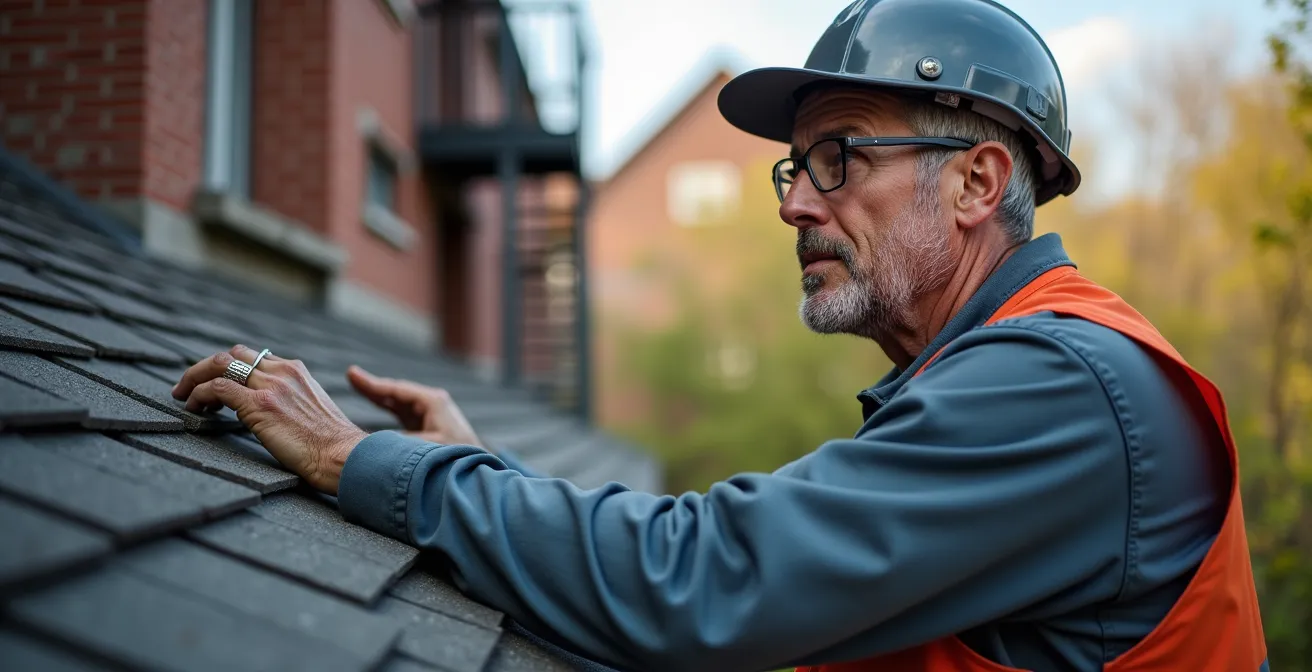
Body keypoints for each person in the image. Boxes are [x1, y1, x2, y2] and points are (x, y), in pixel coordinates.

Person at [171, 0, 1268, 670]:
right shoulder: (1010, 372)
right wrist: (482, 472)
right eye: (796, 168)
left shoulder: (1061, 389)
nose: (795, 202)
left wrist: (356, 459)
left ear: (979, 181)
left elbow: (703, 584)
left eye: (839, 156)